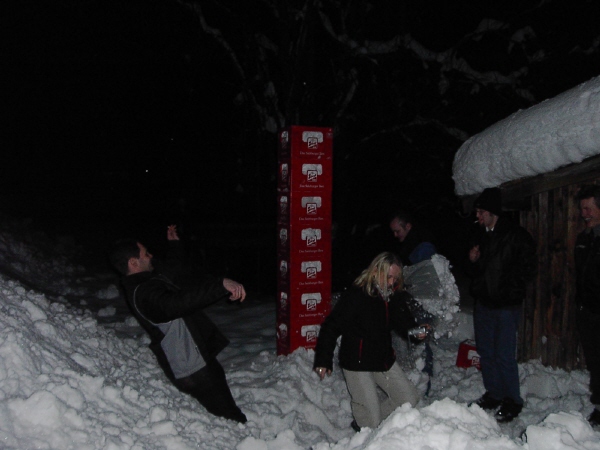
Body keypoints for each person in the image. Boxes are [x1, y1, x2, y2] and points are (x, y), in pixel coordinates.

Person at [109, 225, 248, 423]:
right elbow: (176, 304)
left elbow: (171, 270)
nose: (150, 256)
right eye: (145, 253)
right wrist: (220, 285)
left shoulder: (145, 281)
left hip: (192, 359)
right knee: (230, 417)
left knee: (222, 406)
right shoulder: (143, 293)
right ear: (133, 262)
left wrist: (174, 245)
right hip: (191, 366)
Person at [313, 252, 427, 431]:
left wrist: (416, 332)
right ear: (375, 271)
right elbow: (331, 326)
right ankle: (366, 424)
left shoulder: (392, 295)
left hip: (382, 358)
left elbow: (403, 322)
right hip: (357, 361)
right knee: (371, 421)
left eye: (395, 278)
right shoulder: (357, 295)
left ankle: (369, 420)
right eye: (388, 277)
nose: (391, 282)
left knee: (408, 400)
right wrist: (323, 359)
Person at [467, 187, 536, 423]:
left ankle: (512, 400)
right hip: (484, 304)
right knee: (486, 352)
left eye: (481, 212)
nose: (478, 216)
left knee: (504, 355)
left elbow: (529, 267)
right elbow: (475, 271)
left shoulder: (516, 235)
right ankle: (494, 393)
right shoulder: (479, 234)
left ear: (493, 212)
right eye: (477, 212)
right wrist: (473, 261)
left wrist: (511, 289)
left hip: (506, 306)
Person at [574, 185, 600, 428]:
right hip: (588, 312)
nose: (585, 214)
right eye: (582, 209)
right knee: (595, 362)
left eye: (588, 208)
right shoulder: (584, 239)